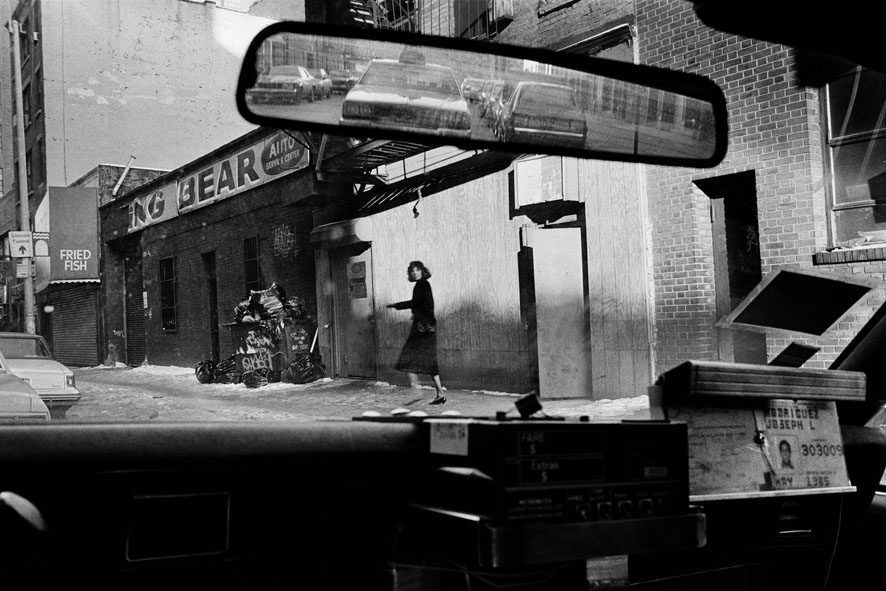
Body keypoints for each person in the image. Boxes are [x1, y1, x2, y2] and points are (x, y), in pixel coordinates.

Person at [387, 261, 445, 404]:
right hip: (427, 326)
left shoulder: (422, 285)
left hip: (422, 328)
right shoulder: (423, 284)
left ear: (422, 271)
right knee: (430, 361)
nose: (414, 273)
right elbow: (424, 305)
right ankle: (440, 393)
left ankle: (417, 392)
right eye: (412, 271)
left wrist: (396, 305)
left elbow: (415, 303)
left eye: (417, 270)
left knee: (406, 359)